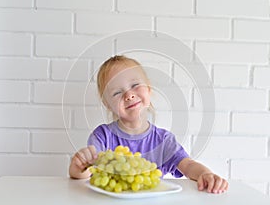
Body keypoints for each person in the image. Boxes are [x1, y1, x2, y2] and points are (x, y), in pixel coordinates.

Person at [69, 55, 228, 194]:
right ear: (107, 104)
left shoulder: (163, 140)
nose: (129, 95)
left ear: (149, 89)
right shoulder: (102, 136)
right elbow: (87, 172)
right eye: (117, 92)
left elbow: (187, 165)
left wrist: (205, 174)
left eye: (135, 85)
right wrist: (78, 169)